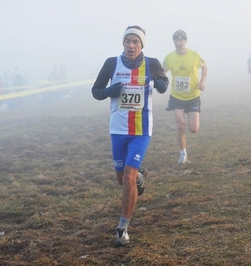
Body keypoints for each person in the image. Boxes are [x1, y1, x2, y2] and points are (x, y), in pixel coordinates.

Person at [91, 25, 168, 246]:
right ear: (123, 43)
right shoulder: (111, 63)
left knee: (128, 177)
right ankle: (140, 177)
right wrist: (107, 92)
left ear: (141, 44)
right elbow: (96, 91)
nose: (131, 45)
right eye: (128, 41)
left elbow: (164, 83)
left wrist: (162, 85)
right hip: (118, 129)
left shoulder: (151, 63)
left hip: (141, 130)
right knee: (121, 178)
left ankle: (122, 228)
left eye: (136, 41)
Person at [162, 29, 207, 164]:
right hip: (177, 97)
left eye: (181, 40)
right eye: (176, 40)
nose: (178, 43)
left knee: (193, 129)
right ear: (174, 42)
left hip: (193, 96)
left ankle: (192, 117)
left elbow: (205, 67)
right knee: (180, 126)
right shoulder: (169, 57)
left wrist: (201, 82)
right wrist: (161, 84)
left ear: (185, 41)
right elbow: (162, 72)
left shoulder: (194, 55)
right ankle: (183, 154)